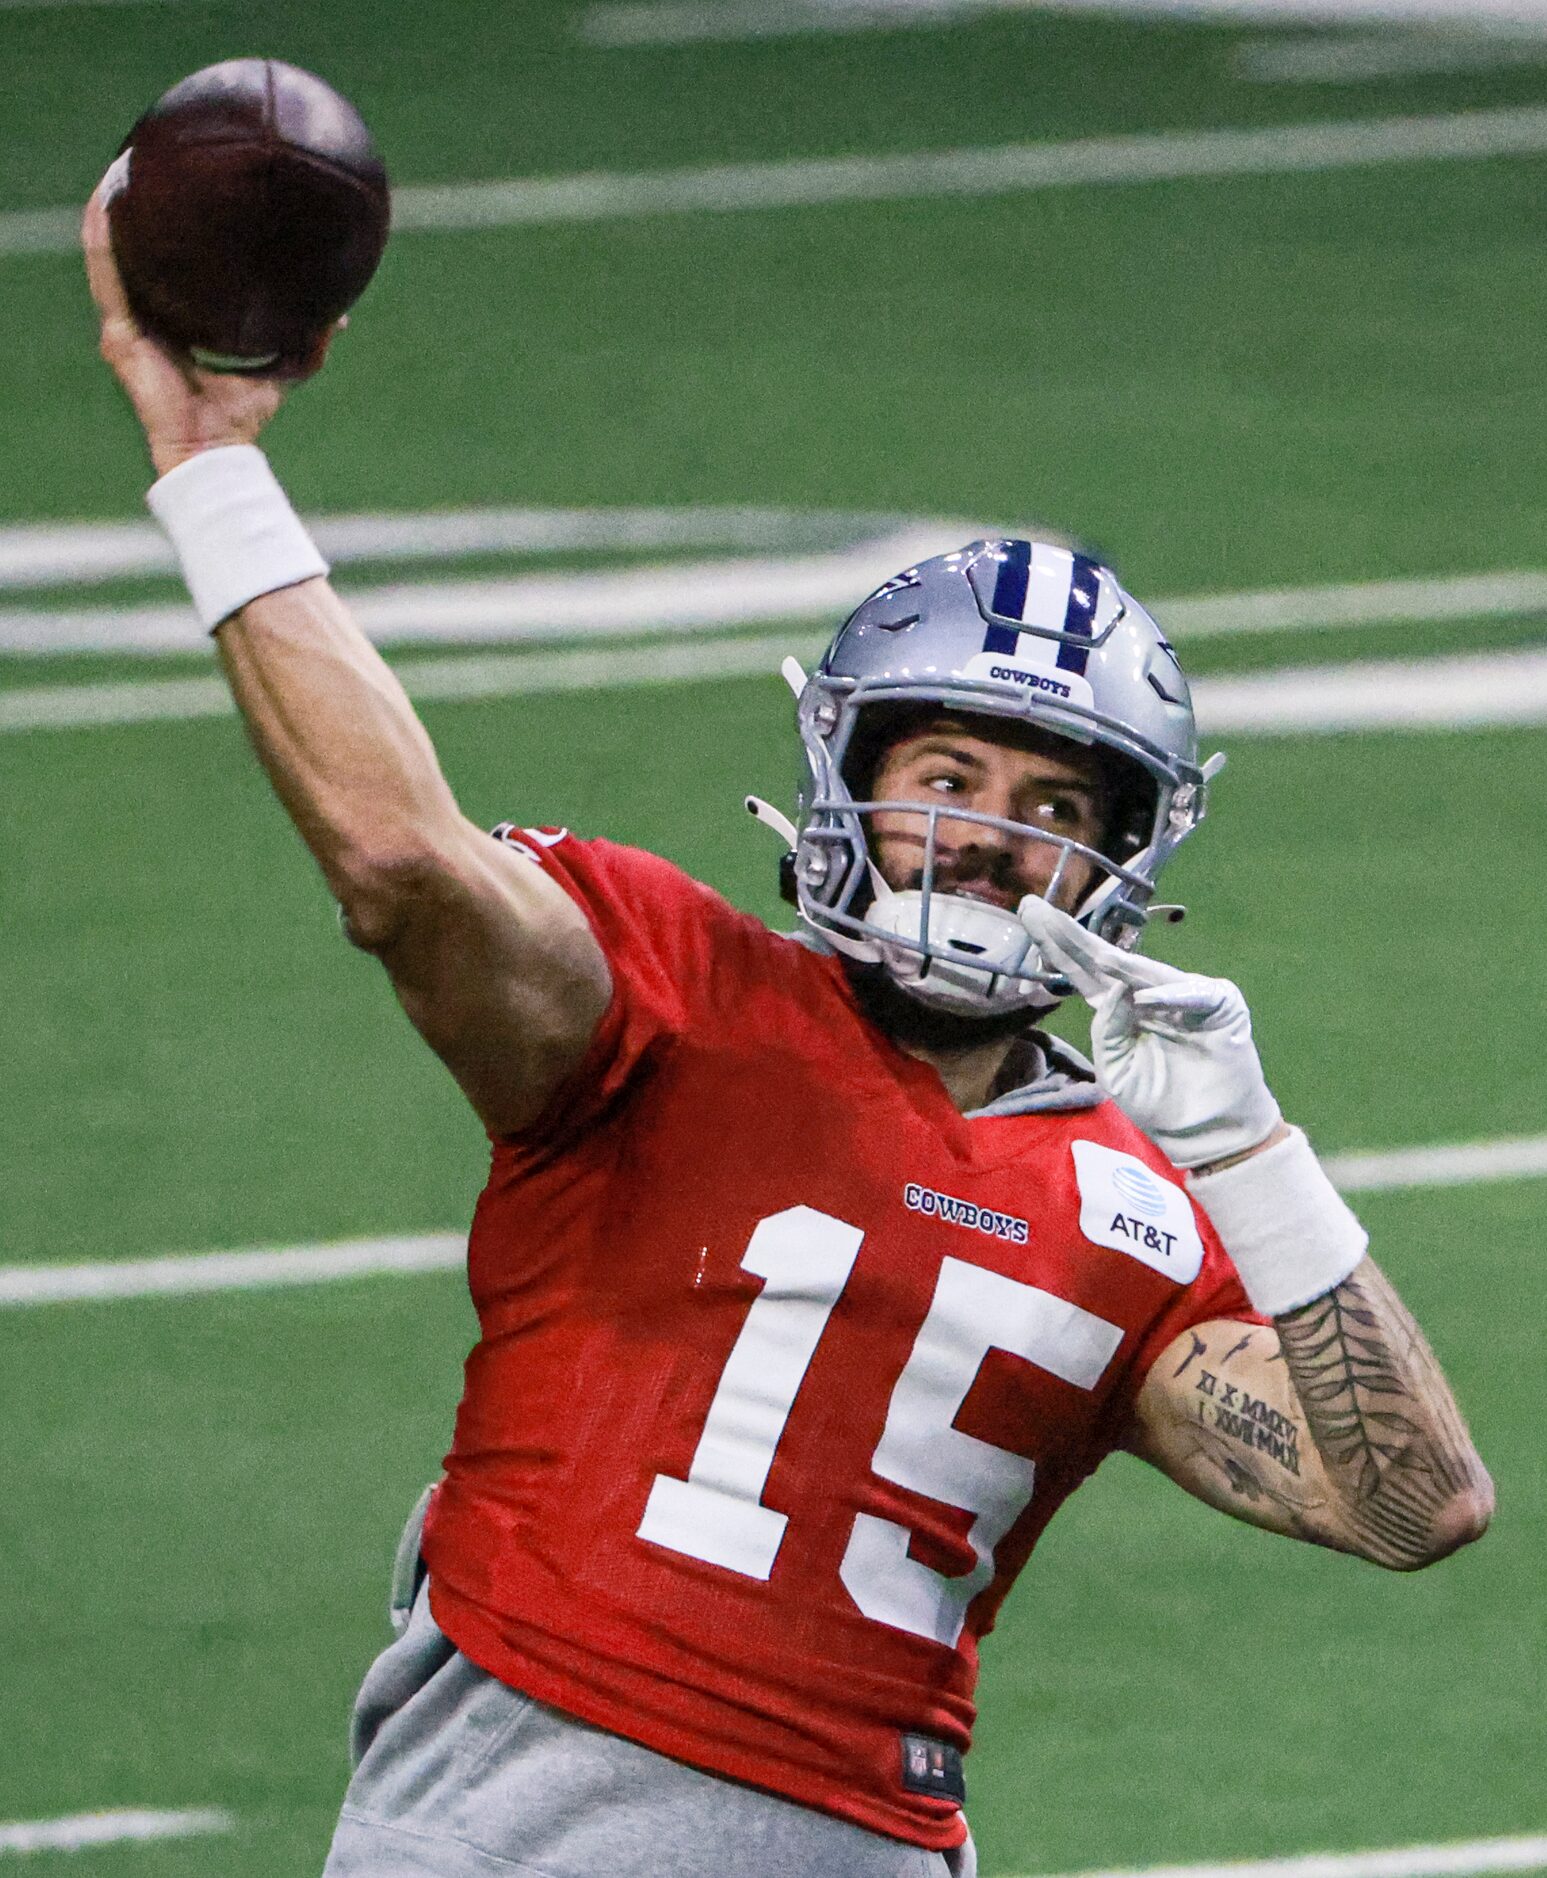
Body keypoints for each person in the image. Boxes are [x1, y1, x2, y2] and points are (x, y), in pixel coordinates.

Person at [83, 190, 1493, 1878]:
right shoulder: (660, 987)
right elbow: (397, 862)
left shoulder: (1143, 1203)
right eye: (949, 780)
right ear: (853, 777)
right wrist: (216, 475)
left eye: (1053, 806)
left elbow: (1415, 1503)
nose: (989, 841)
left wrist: (1256, 1159)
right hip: (523, 1805)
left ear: (1124, 862)